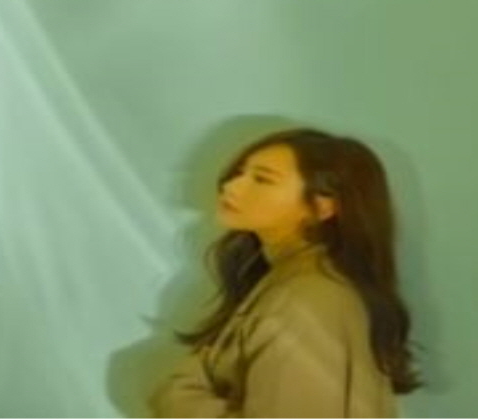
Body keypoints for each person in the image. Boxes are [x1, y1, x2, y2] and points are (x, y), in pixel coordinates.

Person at [148, 125, 424, 417]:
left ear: (324, 206)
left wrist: (179, 397)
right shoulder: (291, 279)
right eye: (239, 173)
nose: (231, 186)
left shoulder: (309, 298)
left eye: (262, 179)